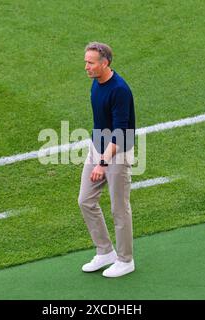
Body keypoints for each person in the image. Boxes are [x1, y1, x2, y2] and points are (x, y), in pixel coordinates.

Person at [78, 42, 136, 278]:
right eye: (86, 62)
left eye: (90, 63)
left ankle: (125, 260)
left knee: (119, 209)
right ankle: (105, 252)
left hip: (117, 152)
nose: (86, 67)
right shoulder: (96, 82)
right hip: (98, 146)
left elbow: (121, 131)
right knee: (85, 200)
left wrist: (102, 163)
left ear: (105, 63)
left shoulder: (119, 90)